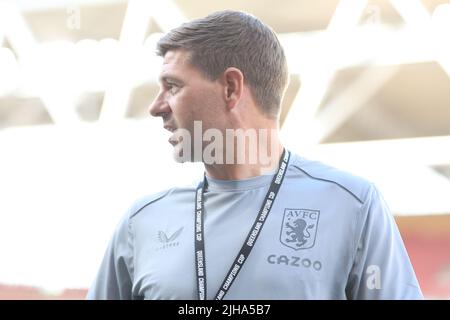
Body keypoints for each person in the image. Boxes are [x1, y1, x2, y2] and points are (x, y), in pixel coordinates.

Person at [87, 10, 423, 300]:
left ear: (231, 88)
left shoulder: (352, 205)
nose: (156, 107)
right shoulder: (142, 222)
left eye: (172, 86)